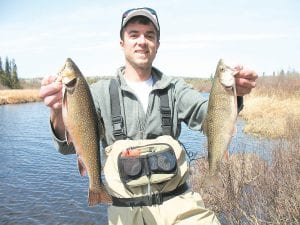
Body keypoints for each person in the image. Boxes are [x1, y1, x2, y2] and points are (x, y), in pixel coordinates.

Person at [39, 7, 257, 225]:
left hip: (180, 207)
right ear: (122, 43)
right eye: (133, 34)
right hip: (125, 211)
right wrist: (58, 111)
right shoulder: (97, 93)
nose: (142, 41)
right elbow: (68, 146)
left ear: (157, 45)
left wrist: (232, 96)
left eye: (149, 35)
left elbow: (208, 118)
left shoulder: (175, 88)